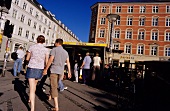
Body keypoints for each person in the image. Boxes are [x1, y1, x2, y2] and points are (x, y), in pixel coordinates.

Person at [43, 38, 71, 111]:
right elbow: (68, 62)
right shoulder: (66, 52)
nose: (54, 44)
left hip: (54, 70)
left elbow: (50, 60)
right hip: (61, 71)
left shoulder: (54, 50)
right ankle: (50, 96)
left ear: (57, 43)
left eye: (55, 42)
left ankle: (56, 106)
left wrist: (46, 69)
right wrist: (69, 72)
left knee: (54, 86)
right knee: (54, 84)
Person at [25, 35, 49, 111]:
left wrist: (25, 64)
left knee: (32, 89)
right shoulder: (46, 50)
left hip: (32, 67)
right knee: (34, 85)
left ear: (37, 40)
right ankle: (30, 99)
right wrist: (45, 69)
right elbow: (47, 61)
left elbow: (27, 58)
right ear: (44, 41)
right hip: (40, 69)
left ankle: (32, 108)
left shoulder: (32, 47)